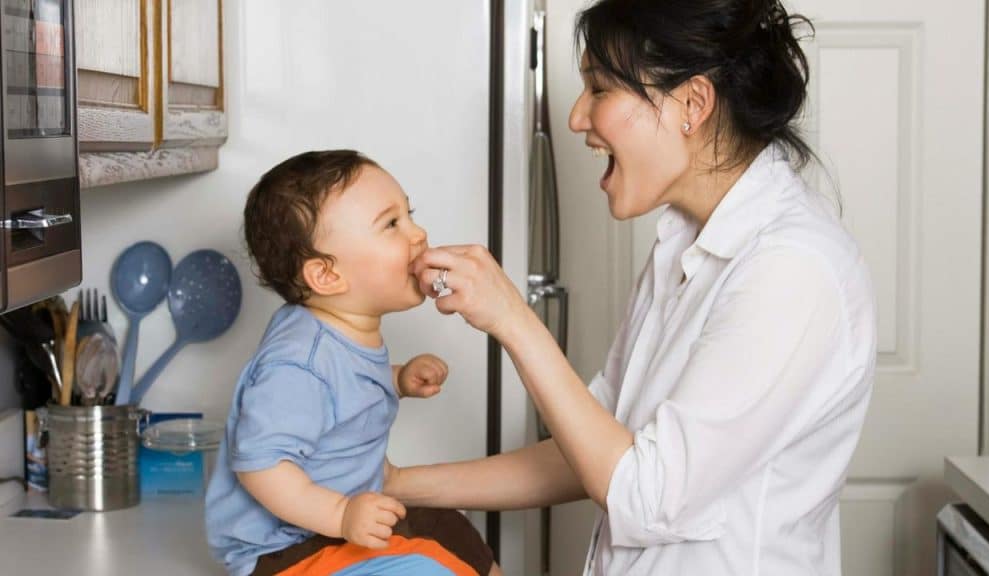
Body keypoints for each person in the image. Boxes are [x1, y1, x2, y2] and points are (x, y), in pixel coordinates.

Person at [391, 0, 877, 574]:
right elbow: (590, 452)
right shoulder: (684, 241)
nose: (576, 118)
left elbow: (642, 496)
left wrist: (513, 319)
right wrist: (400, 485)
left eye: (599, 89)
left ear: (691, 104)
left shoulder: (793, 270)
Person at [205, 150, 499, 576]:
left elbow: (338, 388)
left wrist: (396, 378)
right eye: (391, 224)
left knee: (453, 531)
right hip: (286, 551)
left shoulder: (337, 331)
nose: (418, 234)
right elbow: (261, 465)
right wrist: (341, 513)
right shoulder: (296, 365)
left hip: (332, 526)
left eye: (409, 214)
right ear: (326, 277)